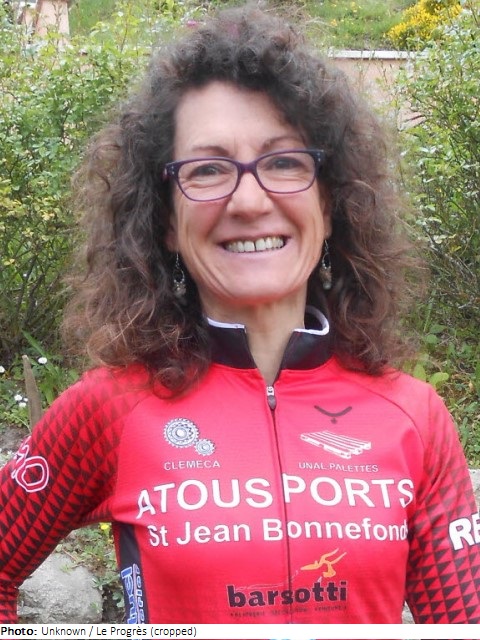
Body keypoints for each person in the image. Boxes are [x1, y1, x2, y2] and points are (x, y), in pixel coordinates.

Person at [1, 4, 479, 626]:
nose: (249, 201)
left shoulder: (414, 417)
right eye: (207, 170)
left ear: (330, 204)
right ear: (165, 220)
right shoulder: (109, 410)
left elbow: (467, 626)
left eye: (284, 162)